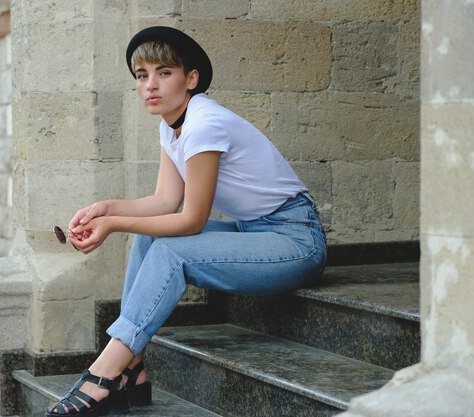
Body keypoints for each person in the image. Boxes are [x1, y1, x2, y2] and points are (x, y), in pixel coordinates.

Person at [46, 26, 327, 417]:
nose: (150, 85)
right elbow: (165, 201)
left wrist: (115, 226)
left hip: (294, 241)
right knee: (146, 241)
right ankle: (132, 367)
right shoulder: (171, 124)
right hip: (254, 233)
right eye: (142, 76)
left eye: (164, 73)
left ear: (190, 79)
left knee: (171, 251)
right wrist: (106, 209)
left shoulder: (203, 123)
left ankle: (102, 376)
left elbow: (192, 220)